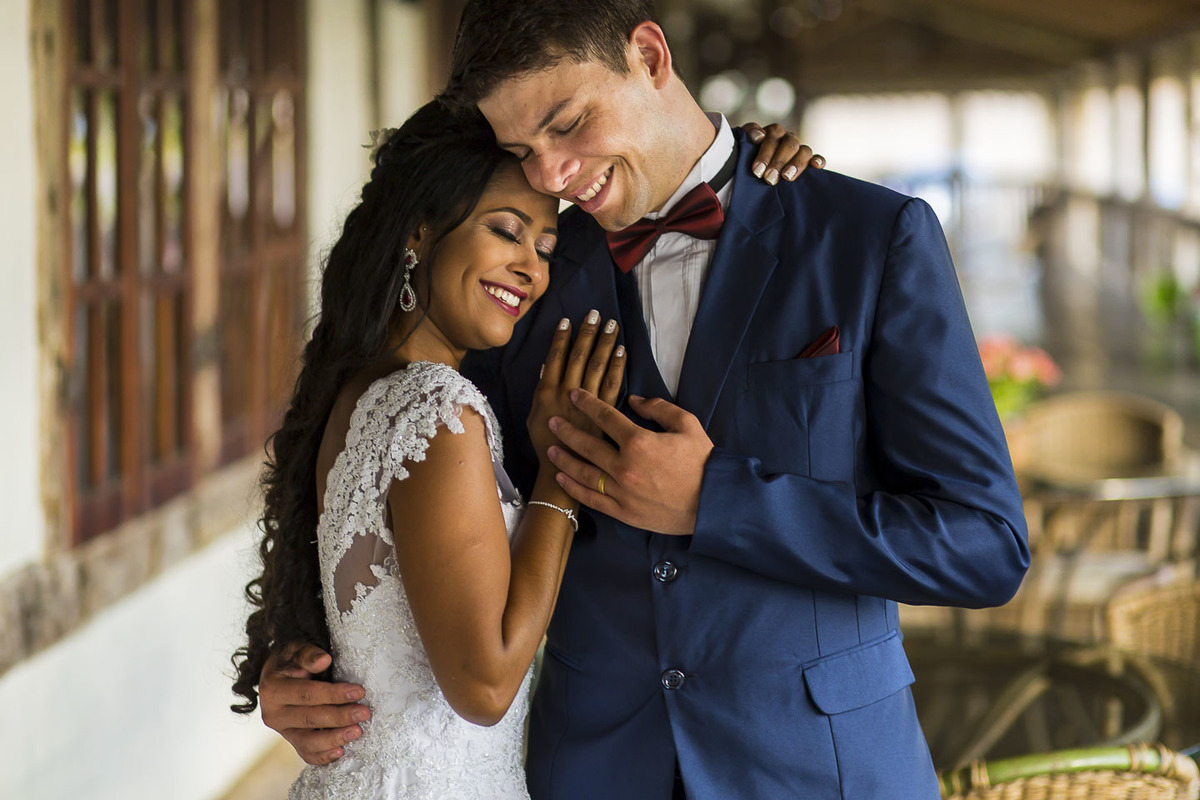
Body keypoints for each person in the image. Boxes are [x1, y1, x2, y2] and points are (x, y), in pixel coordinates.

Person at [257, 1, 1031, 798]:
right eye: (523, 151)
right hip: (595, 771)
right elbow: (408, 488)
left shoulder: (868, 236)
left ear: (651, 57)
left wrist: (716, 499)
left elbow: (986, 545)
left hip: (820, 770)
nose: (552, 175)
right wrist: (304, 654)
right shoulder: (527, 275)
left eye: (567, 124)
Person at [229, 99, 636, 799]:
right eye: (506, 231)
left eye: (544, 249)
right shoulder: (436, 411)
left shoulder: (359, 391)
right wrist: (561, 476)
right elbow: (485, 687)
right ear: (420, 229)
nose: (531, 270)